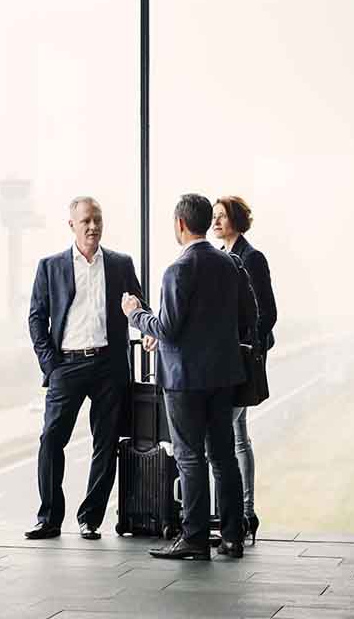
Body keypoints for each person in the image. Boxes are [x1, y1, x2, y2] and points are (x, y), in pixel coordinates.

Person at [122, 193, 247, 560]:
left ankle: (193, 537)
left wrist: (135, 313)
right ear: (206, 222)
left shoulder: (178, 269)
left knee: (190, 457)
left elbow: (169, 327)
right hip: (223, 376)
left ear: (179, 224)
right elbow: (239, 319)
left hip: (185, 380)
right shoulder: (229, 265)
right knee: (223, 457)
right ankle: (231, 538)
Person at [26, 197, 144, 541]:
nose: (93, 226)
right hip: (67, 365)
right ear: (72, 226)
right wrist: (51, 365)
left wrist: (144, 324)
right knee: (51, 439)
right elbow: (36, 318)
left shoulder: (121, 264)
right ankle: (48, 517)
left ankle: (90, 519)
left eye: (98, 220)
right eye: (86, 221)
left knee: (106, 443)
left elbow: (138, 304)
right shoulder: (50, 266)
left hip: (110, 365)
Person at [213, 196, 277, 544]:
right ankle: (245, 512)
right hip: (226, 360)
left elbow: (267, 312)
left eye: (222, 217)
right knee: (237, 435)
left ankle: (242, 513)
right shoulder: (222, 256)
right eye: (214, 217)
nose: (216, 222)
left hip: (240, 360)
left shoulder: (251, 258)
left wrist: (246, 345)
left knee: (230, 435)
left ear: (237, 219)